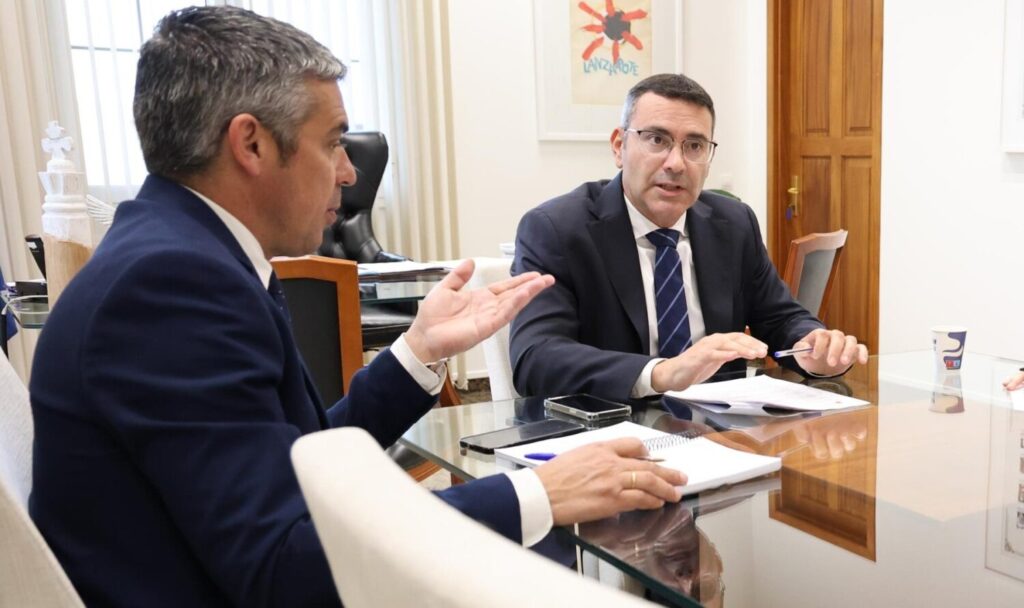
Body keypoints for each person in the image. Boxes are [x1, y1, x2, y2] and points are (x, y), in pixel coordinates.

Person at [28, 7, 685, 607]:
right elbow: (287, 566)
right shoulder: (170, 286)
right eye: (334, 141)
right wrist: (539, 492)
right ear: (250, 144)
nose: (347, 172)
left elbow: (301, 459)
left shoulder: (182, 252)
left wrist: (418, 352)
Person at [510, 73, 868, 401]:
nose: (676, 163)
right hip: (608, 439)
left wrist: (812, 347)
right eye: (656, 140)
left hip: (722, 436)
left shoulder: (733, 222)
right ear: (619, 146)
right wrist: (663, 372)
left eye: (694, 146)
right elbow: (536, 358)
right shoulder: (556, 229)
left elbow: (779, 317)